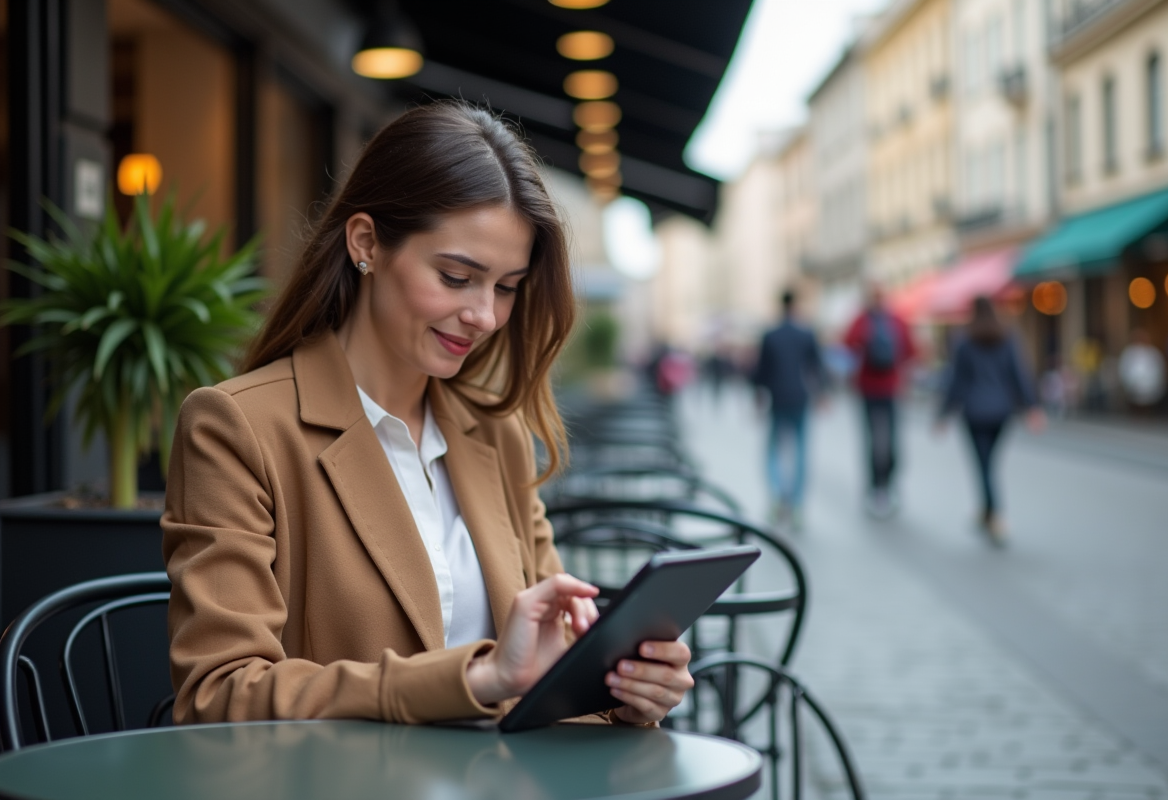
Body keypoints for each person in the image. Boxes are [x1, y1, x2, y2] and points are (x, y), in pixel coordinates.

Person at [161, 102, 692, 727]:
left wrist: (620, 690)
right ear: (366, 245)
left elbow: (548, 668)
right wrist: (478, 677)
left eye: (505, 286)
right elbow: (220, 695)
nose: (486, 316)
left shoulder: (497, 436)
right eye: (456, 276)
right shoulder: (238, 429)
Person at [936, 297, 1044, 546]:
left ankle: (995, 515)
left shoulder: (964, 340)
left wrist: (944, 414)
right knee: (990, 463)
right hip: (1001, 411)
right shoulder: (1007, 336)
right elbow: (1019, 373)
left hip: (974, 411)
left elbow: (956, 382)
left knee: (983, 465)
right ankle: (987, 512)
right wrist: (1032, 408)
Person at [753, 290, 826, 530]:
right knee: (801, 452)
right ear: (795, 305)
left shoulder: (770, 334)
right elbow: (817, 366)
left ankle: (778, 495)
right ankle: (796, 503)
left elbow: (761, 371)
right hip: (800, 398)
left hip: (778, 398)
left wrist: (758, 396)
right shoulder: (806, 333)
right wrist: (822, 393)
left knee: (774, 450)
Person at [843, 280, 916, 518]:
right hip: (889, 388)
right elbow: (912, 351)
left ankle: (877, 489)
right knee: (889, 440)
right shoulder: (897, 320)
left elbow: (846, 343)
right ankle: (886, 487)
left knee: (874, 441)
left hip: (870, 387)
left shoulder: (862, 320)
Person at [1118, 329, 1167, 410]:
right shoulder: (1129, 352)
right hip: (1133, 388)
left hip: (1150, 388)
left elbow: (1159, 370)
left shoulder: (1154, 353)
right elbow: (1124, 369)